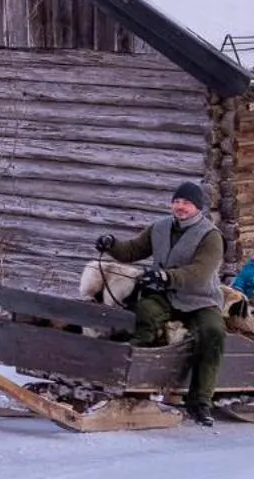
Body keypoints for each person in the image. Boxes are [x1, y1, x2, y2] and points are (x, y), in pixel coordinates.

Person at [95, 180, 227, 425]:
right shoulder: (160, 227)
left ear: (198, 208)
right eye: (177, 201)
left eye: (186, 203)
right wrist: (112, 244)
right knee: (143, 312)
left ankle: (200, 401)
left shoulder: (211, 236)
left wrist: (167, 276)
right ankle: (132, 383)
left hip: (199, 298)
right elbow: (132, 250)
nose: (180, 207)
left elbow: (200, 273)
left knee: (213, 332)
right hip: (164, 295)